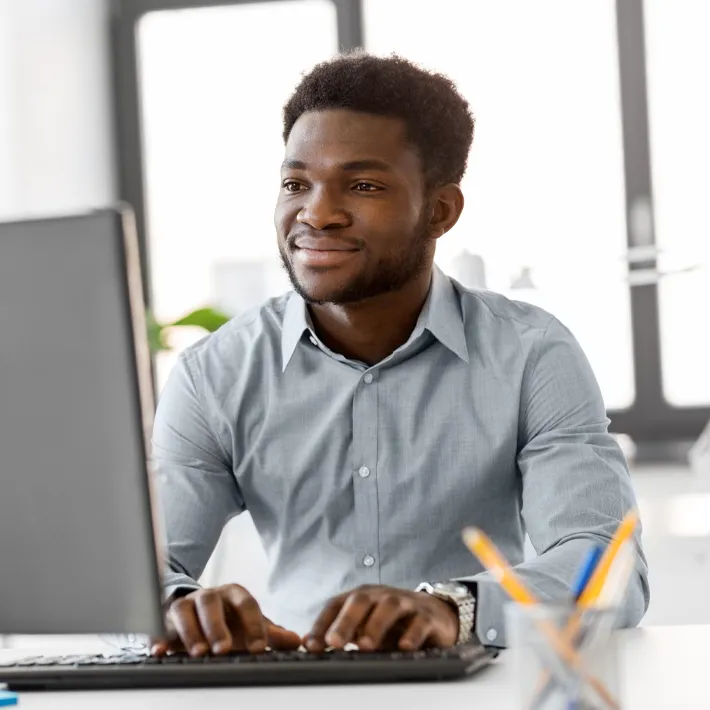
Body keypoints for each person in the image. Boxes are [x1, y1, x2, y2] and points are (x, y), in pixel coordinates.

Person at [151, 52, 649, 657]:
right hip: (297, 693)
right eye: (295, 183)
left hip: (481, 692)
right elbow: (143, 569)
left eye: (363, 186)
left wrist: (453, 608)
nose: (316, 213)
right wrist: (179, 607)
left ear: (440, 211)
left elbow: (608, 569)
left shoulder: (531, 354)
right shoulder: (214, 374)